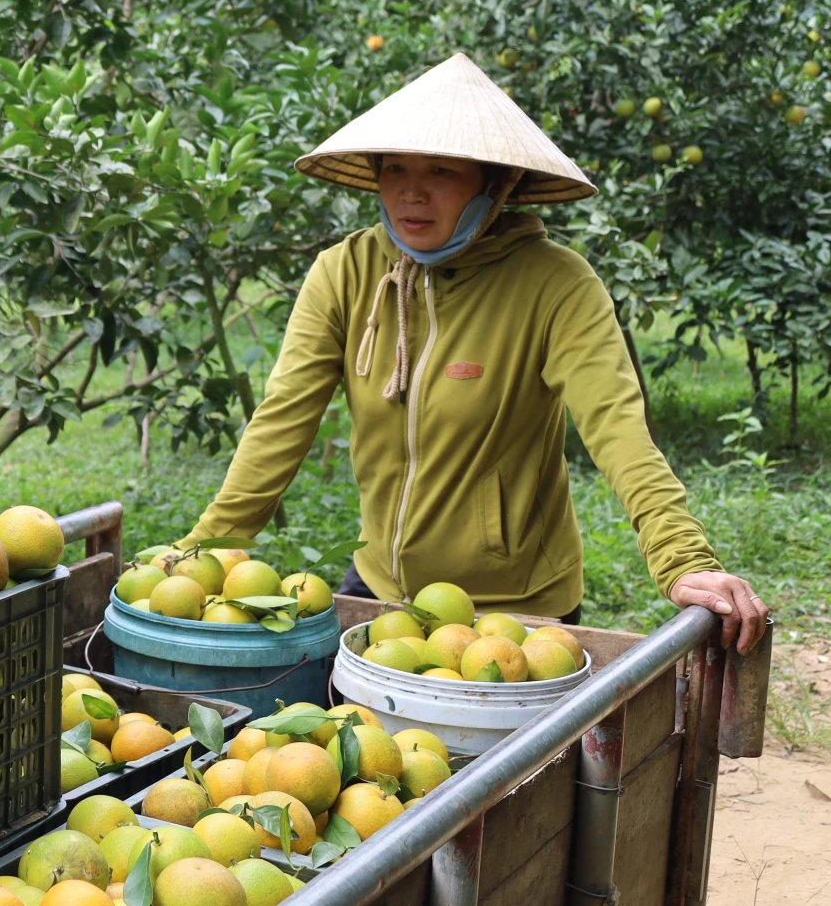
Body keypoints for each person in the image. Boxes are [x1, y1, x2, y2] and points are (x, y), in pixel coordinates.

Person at [180, 53, 770, 651]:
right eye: (394, 169)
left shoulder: (556, 283)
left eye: (440, 170)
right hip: (384, 592)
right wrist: (202, 552)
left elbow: (617, 426)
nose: (411, 192)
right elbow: (282, 419)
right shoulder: (345, 273)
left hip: (515, 610)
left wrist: (682, 558)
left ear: (496, 183)